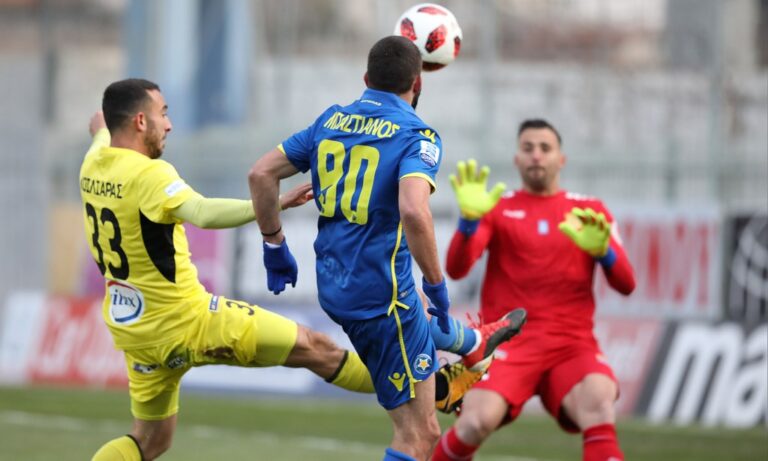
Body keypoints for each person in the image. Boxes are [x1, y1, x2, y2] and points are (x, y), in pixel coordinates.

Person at [81, 78, 516, 461]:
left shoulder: (94, 161)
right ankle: (437, 385)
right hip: (191, 321)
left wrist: (105, 125)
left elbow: (99, 124)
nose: (169, 124)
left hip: (135, 332)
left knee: (151, 440)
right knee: (316, 348)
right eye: (163, 113)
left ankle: (453, 361)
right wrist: (275, 205)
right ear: (140, 121)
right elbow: (202, 211)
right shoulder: (150, 175)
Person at [248, 36, 524, 461]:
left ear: (366, 79)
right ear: (418, 83)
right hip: (382, 299)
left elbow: (261, 173)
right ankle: (456, 358)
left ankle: (469, 343)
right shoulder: (416, 135)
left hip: (335, 286)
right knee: (420, 434)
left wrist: (273, 244)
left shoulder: (331, 120)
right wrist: (437, 285)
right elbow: (414, 210)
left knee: (416, 326)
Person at [432, 119, 637, 461]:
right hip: (507, 344)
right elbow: (456, 268)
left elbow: (627, 285)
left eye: (545, 148)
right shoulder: (496, 207)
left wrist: (606, 253)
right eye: (528, 148)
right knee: (474, 424)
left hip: (571, 345)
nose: (536, 155)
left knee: (599, 403)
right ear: (517, 159)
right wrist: (468, 223)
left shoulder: (589, 211)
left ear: (561, 159)